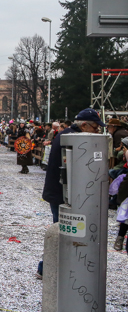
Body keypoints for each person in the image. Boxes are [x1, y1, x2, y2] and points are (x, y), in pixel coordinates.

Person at [38, 108, 104, 277]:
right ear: (84, 125)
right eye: (95, 128)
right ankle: (46, 268)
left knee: (64, 231)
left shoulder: (67, 135)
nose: (97, 132)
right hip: (62, 194)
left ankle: (53, 267)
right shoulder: (71, 138)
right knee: (63, 232)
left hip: (62, 193)